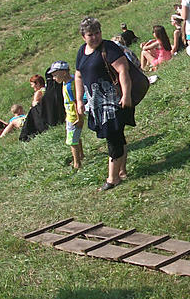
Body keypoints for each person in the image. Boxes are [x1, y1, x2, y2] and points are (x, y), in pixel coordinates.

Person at [75, 17, 134, 191]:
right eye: (90, 34)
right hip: (96, 104)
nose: (95, 37)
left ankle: (112, 178)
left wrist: (127, 95)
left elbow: (123, 70)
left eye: (97, 33)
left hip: (114, 102)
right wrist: (79, 100)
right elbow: (78, 76)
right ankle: (121, 172)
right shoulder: (81, 51)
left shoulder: (109, 48)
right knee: (118, 136)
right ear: (83, 36)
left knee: (113, 138)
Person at [47, 60, 83, 170]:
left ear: (63, 73)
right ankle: (81, 155)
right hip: (70, 115)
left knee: (72, 141)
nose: (53, 78)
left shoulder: (69, 86)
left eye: (55, 75)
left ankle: (77, 163)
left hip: (73, 117)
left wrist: (79, 118)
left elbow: (76, 102)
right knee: (76, 137)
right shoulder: (66, 82)